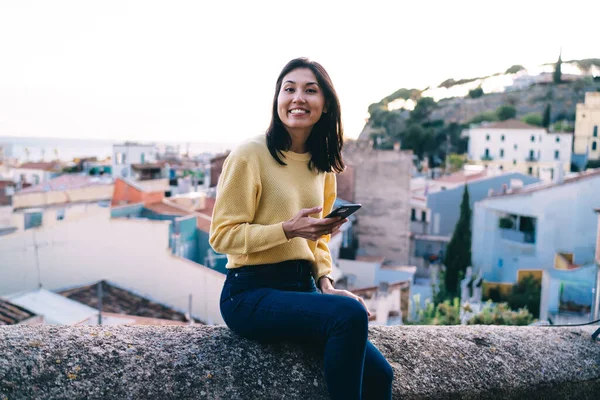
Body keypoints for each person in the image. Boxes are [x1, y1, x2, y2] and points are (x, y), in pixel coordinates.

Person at [209, 57, 393, 400]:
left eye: (310, 90)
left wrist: (326, 282)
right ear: (277, 100)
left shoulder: (322, 165)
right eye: (288, 89)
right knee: (350, 315)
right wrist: (286, 230)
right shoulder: (249, 155)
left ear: (325, 105)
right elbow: (221, 237)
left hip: (303, 287)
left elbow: (318, 240)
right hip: (249, 293)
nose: (298, 98)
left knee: (380, 376)